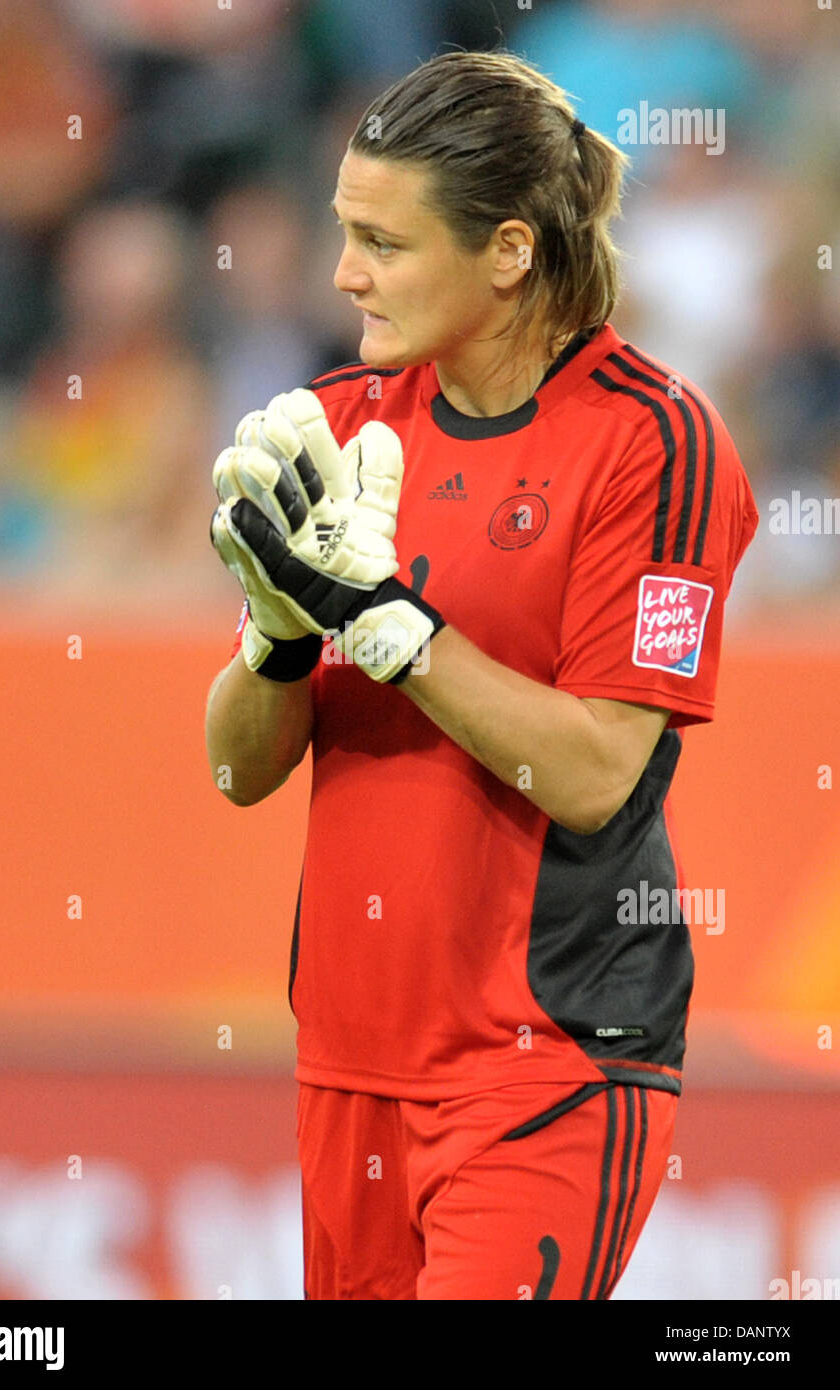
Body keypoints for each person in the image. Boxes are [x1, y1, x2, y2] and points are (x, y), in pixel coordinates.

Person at [204, 51, 759, 1300]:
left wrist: (388, 621)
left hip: (546, 1064)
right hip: (347, 1063)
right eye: (344, 232)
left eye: (383, 243)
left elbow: (599, 773)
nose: (345, 272)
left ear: (508, 250)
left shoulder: (655, 442)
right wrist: (280, 631)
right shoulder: (340, 424)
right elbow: (238, 769)